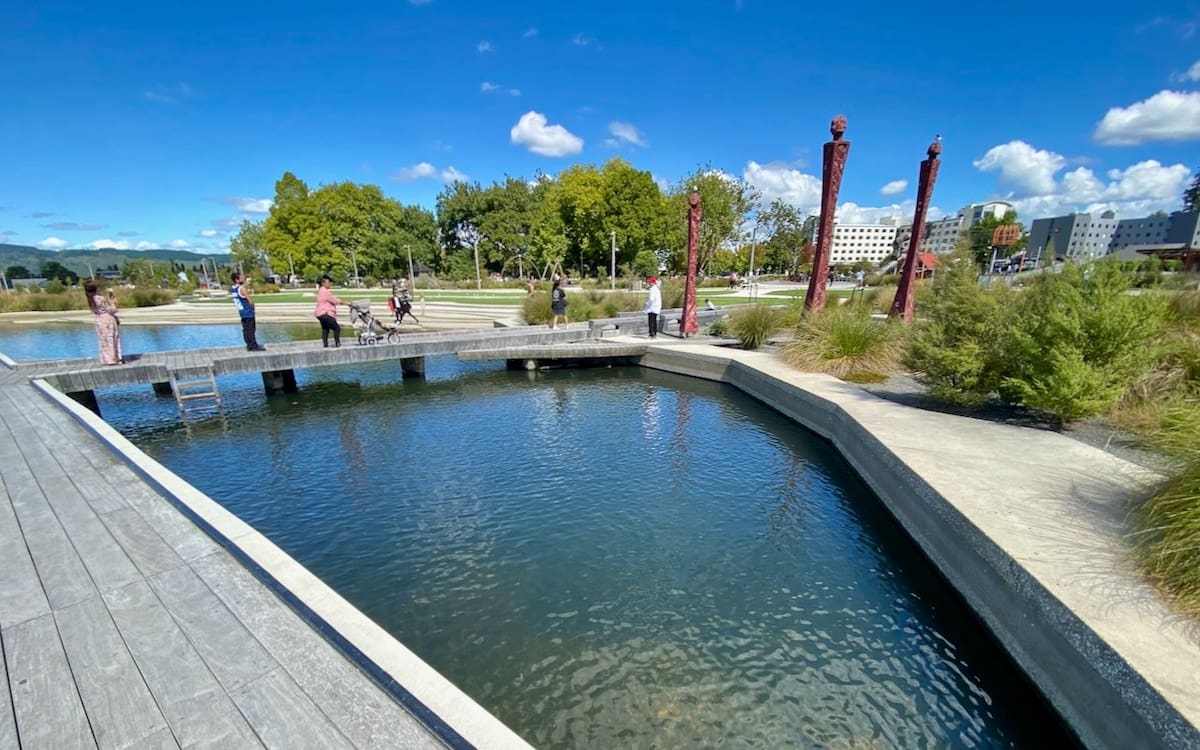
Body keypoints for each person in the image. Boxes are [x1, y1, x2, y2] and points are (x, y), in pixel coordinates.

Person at [84, 279, 123, 365]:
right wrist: (113, 303)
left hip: (99, 320)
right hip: (107, 320)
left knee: (103, 340)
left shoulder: (90, 299)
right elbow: (111, 310)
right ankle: (115, 359)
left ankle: (106, 359)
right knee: (112, 339)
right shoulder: (100, 298)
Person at [230, 272, 265, 351]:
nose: (243, 279)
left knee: (246, 329)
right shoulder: (241, 288)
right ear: (237, 280)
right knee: (251, 329)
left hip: (241, 311)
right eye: (241, 278)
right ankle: (254, 346)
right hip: (247, 311)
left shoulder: (233, 289)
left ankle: (249, 345)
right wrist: (253, 308)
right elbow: (250, 301)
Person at [314, 275, 348, 347]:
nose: (329, 284)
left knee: (325, 329)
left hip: (319, 314)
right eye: (328, 283)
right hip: (325, 313)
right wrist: (347, 303)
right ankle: (337, 343)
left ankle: (325, 345)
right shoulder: (324, 291)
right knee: (336, 328)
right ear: (323, 283)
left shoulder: (320, 291)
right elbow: (334, 300)